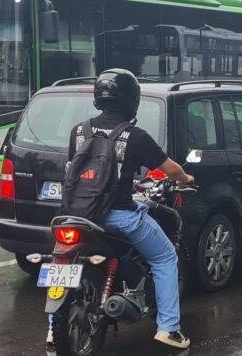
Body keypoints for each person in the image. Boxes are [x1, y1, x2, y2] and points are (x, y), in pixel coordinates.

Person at [51, 68, 195, 349]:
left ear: (98, 98)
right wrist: (186, 179)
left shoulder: (78, 131)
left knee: (60, 263)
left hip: (75, 215)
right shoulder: (135, 136)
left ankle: (51, 331)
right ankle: (169, 329)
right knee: (165, 257)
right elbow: (171, 169)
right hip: (118, 216)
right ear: (132, 99)